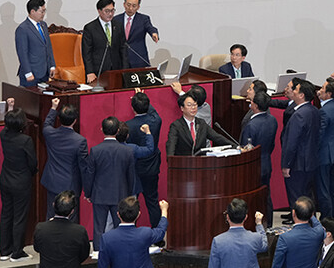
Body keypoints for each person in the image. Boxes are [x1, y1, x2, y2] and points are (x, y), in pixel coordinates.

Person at [85, 116, 135, 252]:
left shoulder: (95, 150)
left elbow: (89, 174)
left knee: (98, 228)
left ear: (102, 130)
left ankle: (97, 253)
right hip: (121, 194)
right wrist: (129, 195)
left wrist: (88, 193)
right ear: (118, 130)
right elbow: (131, 176)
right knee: (121, 227)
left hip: (99, 194)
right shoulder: (127, 151)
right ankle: (119, 252)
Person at [0, 100, 37, 261]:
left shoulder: (3, 135)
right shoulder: (25, 140)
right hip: (21, 182)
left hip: (5, 180)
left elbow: (7, 123)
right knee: (19, 217)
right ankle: (17, 252)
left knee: (6, 214)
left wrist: (10, 108)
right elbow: (33, 162)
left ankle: (4, 251)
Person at [40, 98, 88, 222]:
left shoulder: (50, 133)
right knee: (71, 221)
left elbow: (47, 124)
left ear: (59, 119)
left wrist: (53, 107)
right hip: (70, 185)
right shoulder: (80, 141)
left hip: (52, 182)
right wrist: (88, 189)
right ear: (75, 121)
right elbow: (83, 166)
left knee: (50, 216)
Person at [33, 191, 90, 268]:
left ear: (53, 205)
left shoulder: (40, 228)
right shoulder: (79, 231)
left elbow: (37, 248)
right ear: (72, 211)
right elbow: (84, 254)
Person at [206, 198, 267, 268]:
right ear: (246, 217)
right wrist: (259, 224)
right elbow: (264, 245)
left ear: (227, 217)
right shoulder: (255, 238)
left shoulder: (218, 241)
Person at [281, 80, 321, 212]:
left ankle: (301, 228)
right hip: (311, 163)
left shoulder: (298, 115)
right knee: (308, 199)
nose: (293, 92)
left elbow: (291, 143)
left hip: (297, 165)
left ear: (302, 95)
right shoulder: (314, 110)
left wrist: (286, 165)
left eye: (296, 90)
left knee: (297, 201)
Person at [126, 90, 163, 228]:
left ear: (132, 108)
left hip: (134, 169)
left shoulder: (127, 126)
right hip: (152, 168)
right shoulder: (156, 120)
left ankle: (130, 232)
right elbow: (153, 112)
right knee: (152, 201)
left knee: (131, 202)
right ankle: (158, 237)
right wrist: (143, 97)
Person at [271, 196, 325, 268]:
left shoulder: (285, 238)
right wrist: (310, 213)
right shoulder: (318, 233)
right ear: (312, 214)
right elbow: (317, 224)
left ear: (293, 213)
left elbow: (277, 267)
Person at [240, 90, 277, 216]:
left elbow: (247, 151)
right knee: (266, 196)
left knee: (254, 198)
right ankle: (269, 223)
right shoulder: (272, 120)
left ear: (255, 105)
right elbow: (271, 145)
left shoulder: (251, 125)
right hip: (267, 163)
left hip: (254, 167)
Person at [165, 92, 231, 156]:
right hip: (184, 164)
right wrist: (171, 161)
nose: (193, 108)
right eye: (189, 105)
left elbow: (217, 138)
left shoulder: (201, 123)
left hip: (200, 163)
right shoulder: (176, 126)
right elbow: (171, 146)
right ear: (182, 108)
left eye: (194, 105)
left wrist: (235, 146)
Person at [316, 79, 334, 219]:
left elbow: (319, 135)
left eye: (322, 88)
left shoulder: (324, 111)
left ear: (329, 93)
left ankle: (327, 218)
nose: (320, 90)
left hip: (324, 155)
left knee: (323, 189)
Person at [81, 0, 128, 83]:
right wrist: (90, 72)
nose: (110, 14)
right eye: (107, 11)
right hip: (98, 71)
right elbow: (86, 53)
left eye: (112, 10)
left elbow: (123, 49)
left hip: (116, 70)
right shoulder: (90, 28)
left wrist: (125, 70)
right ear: (99, 11)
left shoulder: (118, 25)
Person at [14, 0, 56, 87]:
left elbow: (48, 47)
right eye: (42, 11)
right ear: (32, 11)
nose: (44, 14)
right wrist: (28, 72)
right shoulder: (23, 29)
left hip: (44, 72)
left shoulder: (43, 25)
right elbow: (22, 53)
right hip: (31, 73)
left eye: (45, 11)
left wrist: (52, 65)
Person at [114, 0, 159, 68]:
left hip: (138, 59)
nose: (130, 8)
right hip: (121, 60)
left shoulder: (143, 19)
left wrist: (154, 33)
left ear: (138, 7)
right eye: (128, 5)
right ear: (124, 4)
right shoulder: (116, 19)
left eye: (134, 6)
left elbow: (150, 27)